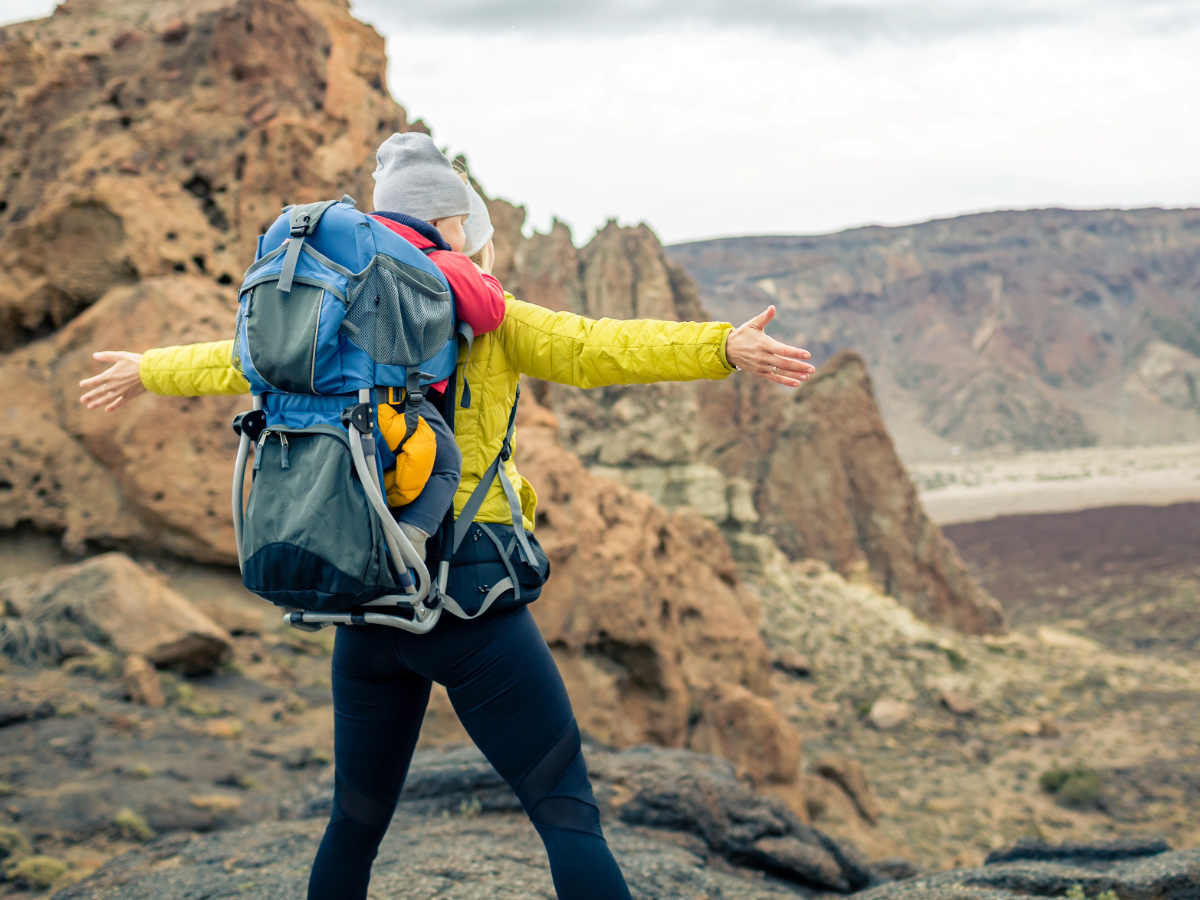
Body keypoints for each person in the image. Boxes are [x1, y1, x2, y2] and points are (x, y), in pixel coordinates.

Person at [79, 187, 815, 900]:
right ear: (448, 224)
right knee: (565, 811)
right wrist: (723, 346)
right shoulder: (491, 318)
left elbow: (232, 358)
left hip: (370, 601)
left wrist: (146, 368)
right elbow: (601, 347)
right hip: (471, 608)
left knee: (353, 826)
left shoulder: (335, 319)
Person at [368, 132, 506, 559]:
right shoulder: (444, 261)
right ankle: (408, 545)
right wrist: (484, 277)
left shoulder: (367, 257)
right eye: (461, 224)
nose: (463, 236)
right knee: (446, 466)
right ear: (435, 220)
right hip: (402, 398)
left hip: (349, 397)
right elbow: (489, 313)